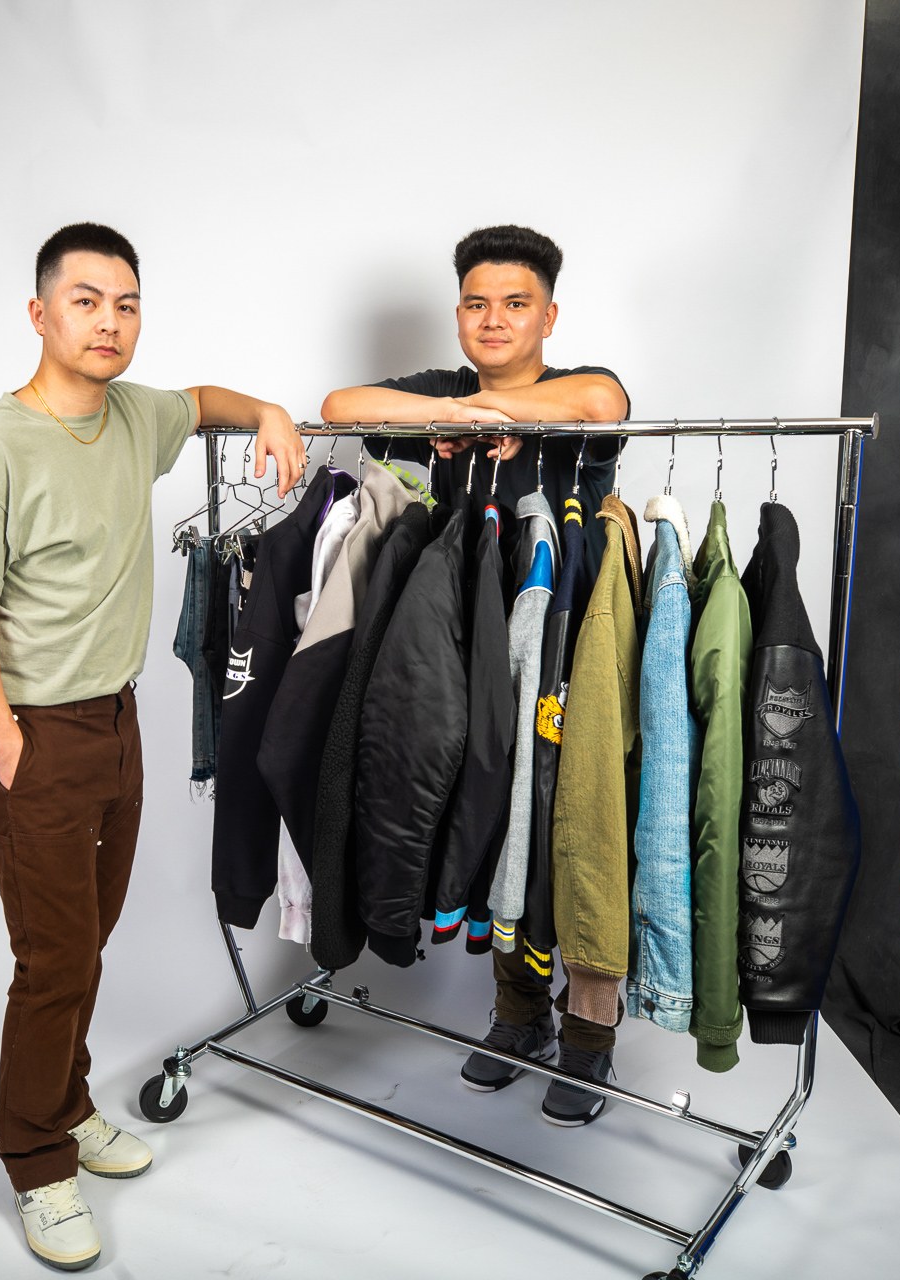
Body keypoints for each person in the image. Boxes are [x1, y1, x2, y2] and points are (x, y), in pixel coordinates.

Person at [0, 222, 305, 1272]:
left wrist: (270, 410)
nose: (109, 320)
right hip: (36, 733)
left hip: (118, 720)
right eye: (87, 299)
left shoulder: (135, 415)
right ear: (42, 312)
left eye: (127, 302)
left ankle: (71, 1099)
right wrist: (5, 736)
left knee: (85, 942)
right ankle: (37, 1158)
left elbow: (210, 402)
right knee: (52, 958)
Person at [321, 224, 631, 1127]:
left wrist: (509, 416)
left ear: (548, 315)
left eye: (515, 304)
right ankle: (517, 1017)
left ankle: (590, 1035)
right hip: (465, 647)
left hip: (565, 634)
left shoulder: (581, 390)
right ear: (458, 312)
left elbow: (603, 401)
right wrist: (453, 417)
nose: (493, 320)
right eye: (476, 303)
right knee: (490, 818)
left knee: (565, 826)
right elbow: (340, 404)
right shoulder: (442, 396)